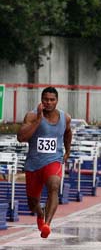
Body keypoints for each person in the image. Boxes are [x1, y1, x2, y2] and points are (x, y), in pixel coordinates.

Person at [17, 87, 72, 239]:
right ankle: (40, 213)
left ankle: (47, 224)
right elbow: (21, 137)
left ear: (57, 101)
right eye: (45, 99)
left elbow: (68, 133)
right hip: (34, 164)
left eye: (52, 100)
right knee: (32, 204)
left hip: (53, 161)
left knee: (54, 186)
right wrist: (38, 120)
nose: (48, 102)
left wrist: (67, 151)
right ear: (41, 100)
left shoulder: (65, 118)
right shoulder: (32, 115)